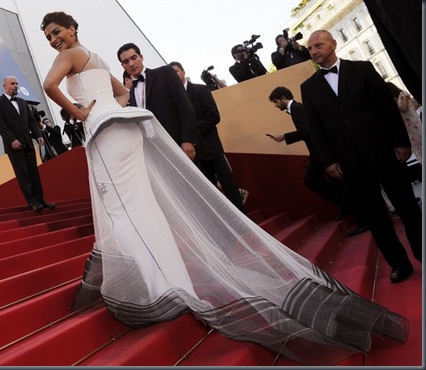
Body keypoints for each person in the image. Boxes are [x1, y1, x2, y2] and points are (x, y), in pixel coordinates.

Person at [40, 12, 409, 366]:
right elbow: (122, 94)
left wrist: (83, 113)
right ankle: (170, 278)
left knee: (120, 208)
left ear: (73, 28)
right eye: (48, 37)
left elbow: (48, 86)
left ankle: (154, 287)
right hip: (121, 129)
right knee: (138, 205)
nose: (54, 40)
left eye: (57, 31)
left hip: (105, 132)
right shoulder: (97, 59)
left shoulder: (71, 55)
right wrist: (107, 107)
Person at [300, 30, 422, 284]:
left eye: (318, 45)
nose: (313, 51)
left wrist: (400, 142)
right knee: (376, 218)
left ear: (333, 44)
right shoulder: (308, 88)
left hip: (384, 151)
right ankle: (399, 264)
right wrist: (328, 161)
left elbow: (386, 107)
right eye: (310, 48)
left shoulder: (363, 69)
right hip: (349, 164)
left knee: (408, 207)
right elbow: (316, 129)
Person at [268, 86, 368, 236]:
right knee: (333, 183)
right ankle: (349, 208)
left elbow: (307, 131)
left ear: (283, 97)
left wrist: (284, 136)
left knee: (313, 181)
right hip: (319, 154)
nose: (275, 106)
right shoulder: (296, 108)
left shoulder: (296, 109)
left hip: (320, 154)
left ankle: (355, 213)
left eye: (276, 101)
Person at [169, 61, 245, 213]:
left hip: (212, 148)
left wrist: (190, 132)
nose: (175, 76)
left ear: (183, 72)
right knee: (210, 192)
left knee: (228, 185)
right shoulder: (172, 101)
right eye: (171, 75)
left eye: (176, 71)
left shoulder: (200, 89)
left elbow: (213, 116)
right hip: (195, 154)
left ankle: (245, 220)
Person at [117, 42, 200, 162]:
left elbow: (184, 106)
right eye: (126, 62)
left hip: (178, 143)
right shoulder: (131, 92)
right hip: (154, 151)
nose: (131, 64)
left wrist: (188, 140)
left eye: (134, 58)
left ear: (141, 57)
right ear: (122, 66)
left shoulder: (164, 73)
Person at [0, 76, 56, 211]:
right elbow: (0, 124)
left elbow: (31, 121)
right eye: (12, 83)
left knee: (34, 172)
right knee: (23, 174)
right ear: (4, 85)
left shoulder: (22, 102)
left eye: (17, 83)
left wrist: (38, 135)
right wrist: (11, 139)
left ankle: (40, 199)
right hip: (13, 146)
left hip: (28, 143)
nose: (16, 86)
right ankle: (32, 202)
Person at [386, 82, 422, 165]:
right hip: (408, 129)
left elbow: (404, 107)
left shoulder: (402, 95)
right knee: (417, 147)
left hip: (414, 125)